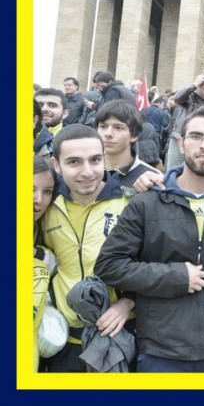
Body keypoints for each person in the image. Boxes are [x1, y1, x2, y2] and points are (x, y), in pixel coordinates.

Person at [94, 105, 204, 372]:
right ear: (181, 142)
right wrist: (175, 277)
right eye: (196, 136)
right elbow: (109, 265)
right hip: (161, 348)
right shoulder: (147, 201)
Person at [38, 124, 135, 372]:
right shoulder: (46, 207)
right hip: (62, 342)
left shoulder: (131, 203)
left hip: (118, 337)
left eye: (95, 160)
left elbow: (153, 264)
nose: (87, 171)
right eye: (74, 162)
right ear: (56, 164)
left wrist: (129, 303)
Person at [96, 100, 160, 188]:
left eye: (118, 128)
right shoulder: (86, 173)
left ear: (134, 135)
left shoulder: (151, 179)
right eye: (103, 126)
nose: (108, 133)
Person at [33, 156, 58, 371]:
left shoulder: (38, 228)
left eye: (47, 191)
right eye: (30, 189)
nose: (38, 199)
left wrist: (39, 254)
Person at [165, 74, 204, 171]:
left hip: (199, 143)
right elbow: (177, 98)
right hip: (179, 139)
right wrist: (193, 85)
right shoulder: (189, 98)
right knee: (172, 171)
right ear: (199, 87)